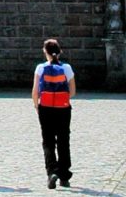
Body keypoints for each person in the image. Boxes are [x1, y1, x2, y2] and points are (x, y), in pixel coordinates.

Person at [32, 38, 76, 190]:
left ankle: (51, 172)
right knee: (64, 139)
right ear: (59, 51)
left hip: (45, 108)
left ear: (45, 52)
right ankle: (64, 175)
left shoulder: (40, 68)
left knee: (48, 140)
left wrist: (37, 106)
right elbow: (73, 91)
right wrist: (62, 99)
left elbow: (35, 91)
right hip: (63, 108)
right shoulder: (67, 68)